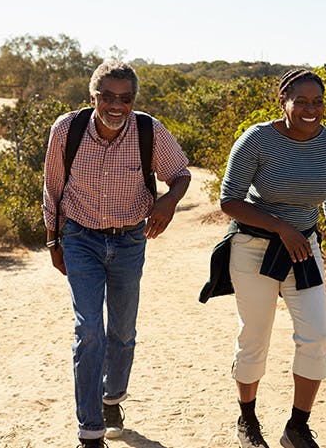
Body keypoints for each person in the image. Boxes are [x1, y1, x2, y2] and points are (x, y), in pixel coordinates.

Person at [42, 61, 191, 448]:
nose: (116, 105)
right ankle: (90, 431)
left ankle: (112, 399)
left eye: (124, 98)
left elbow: (181, 174)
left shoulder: (149, 131)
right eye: (107, 96)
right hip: (80, 238)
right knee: (88, 329)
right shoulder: (67, 130)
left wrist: (168, 203)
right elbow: (53, 189)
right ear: (93, 97)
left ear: (132, 100)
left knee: (122, 333)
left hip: (128, 241)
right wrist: (52, 241)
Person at [219, 69, 326, 448]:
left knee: (316, 335)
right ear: (283, 102)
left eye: (318, 102)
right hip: (254, 248)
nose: (311, 109)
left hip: (304, 250)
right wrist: (281, 226)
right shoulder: (257, 139)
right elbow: (229, 200)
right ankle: (247, 422)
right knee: (254, 337)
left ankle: (296, 427)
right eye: (302, 101)